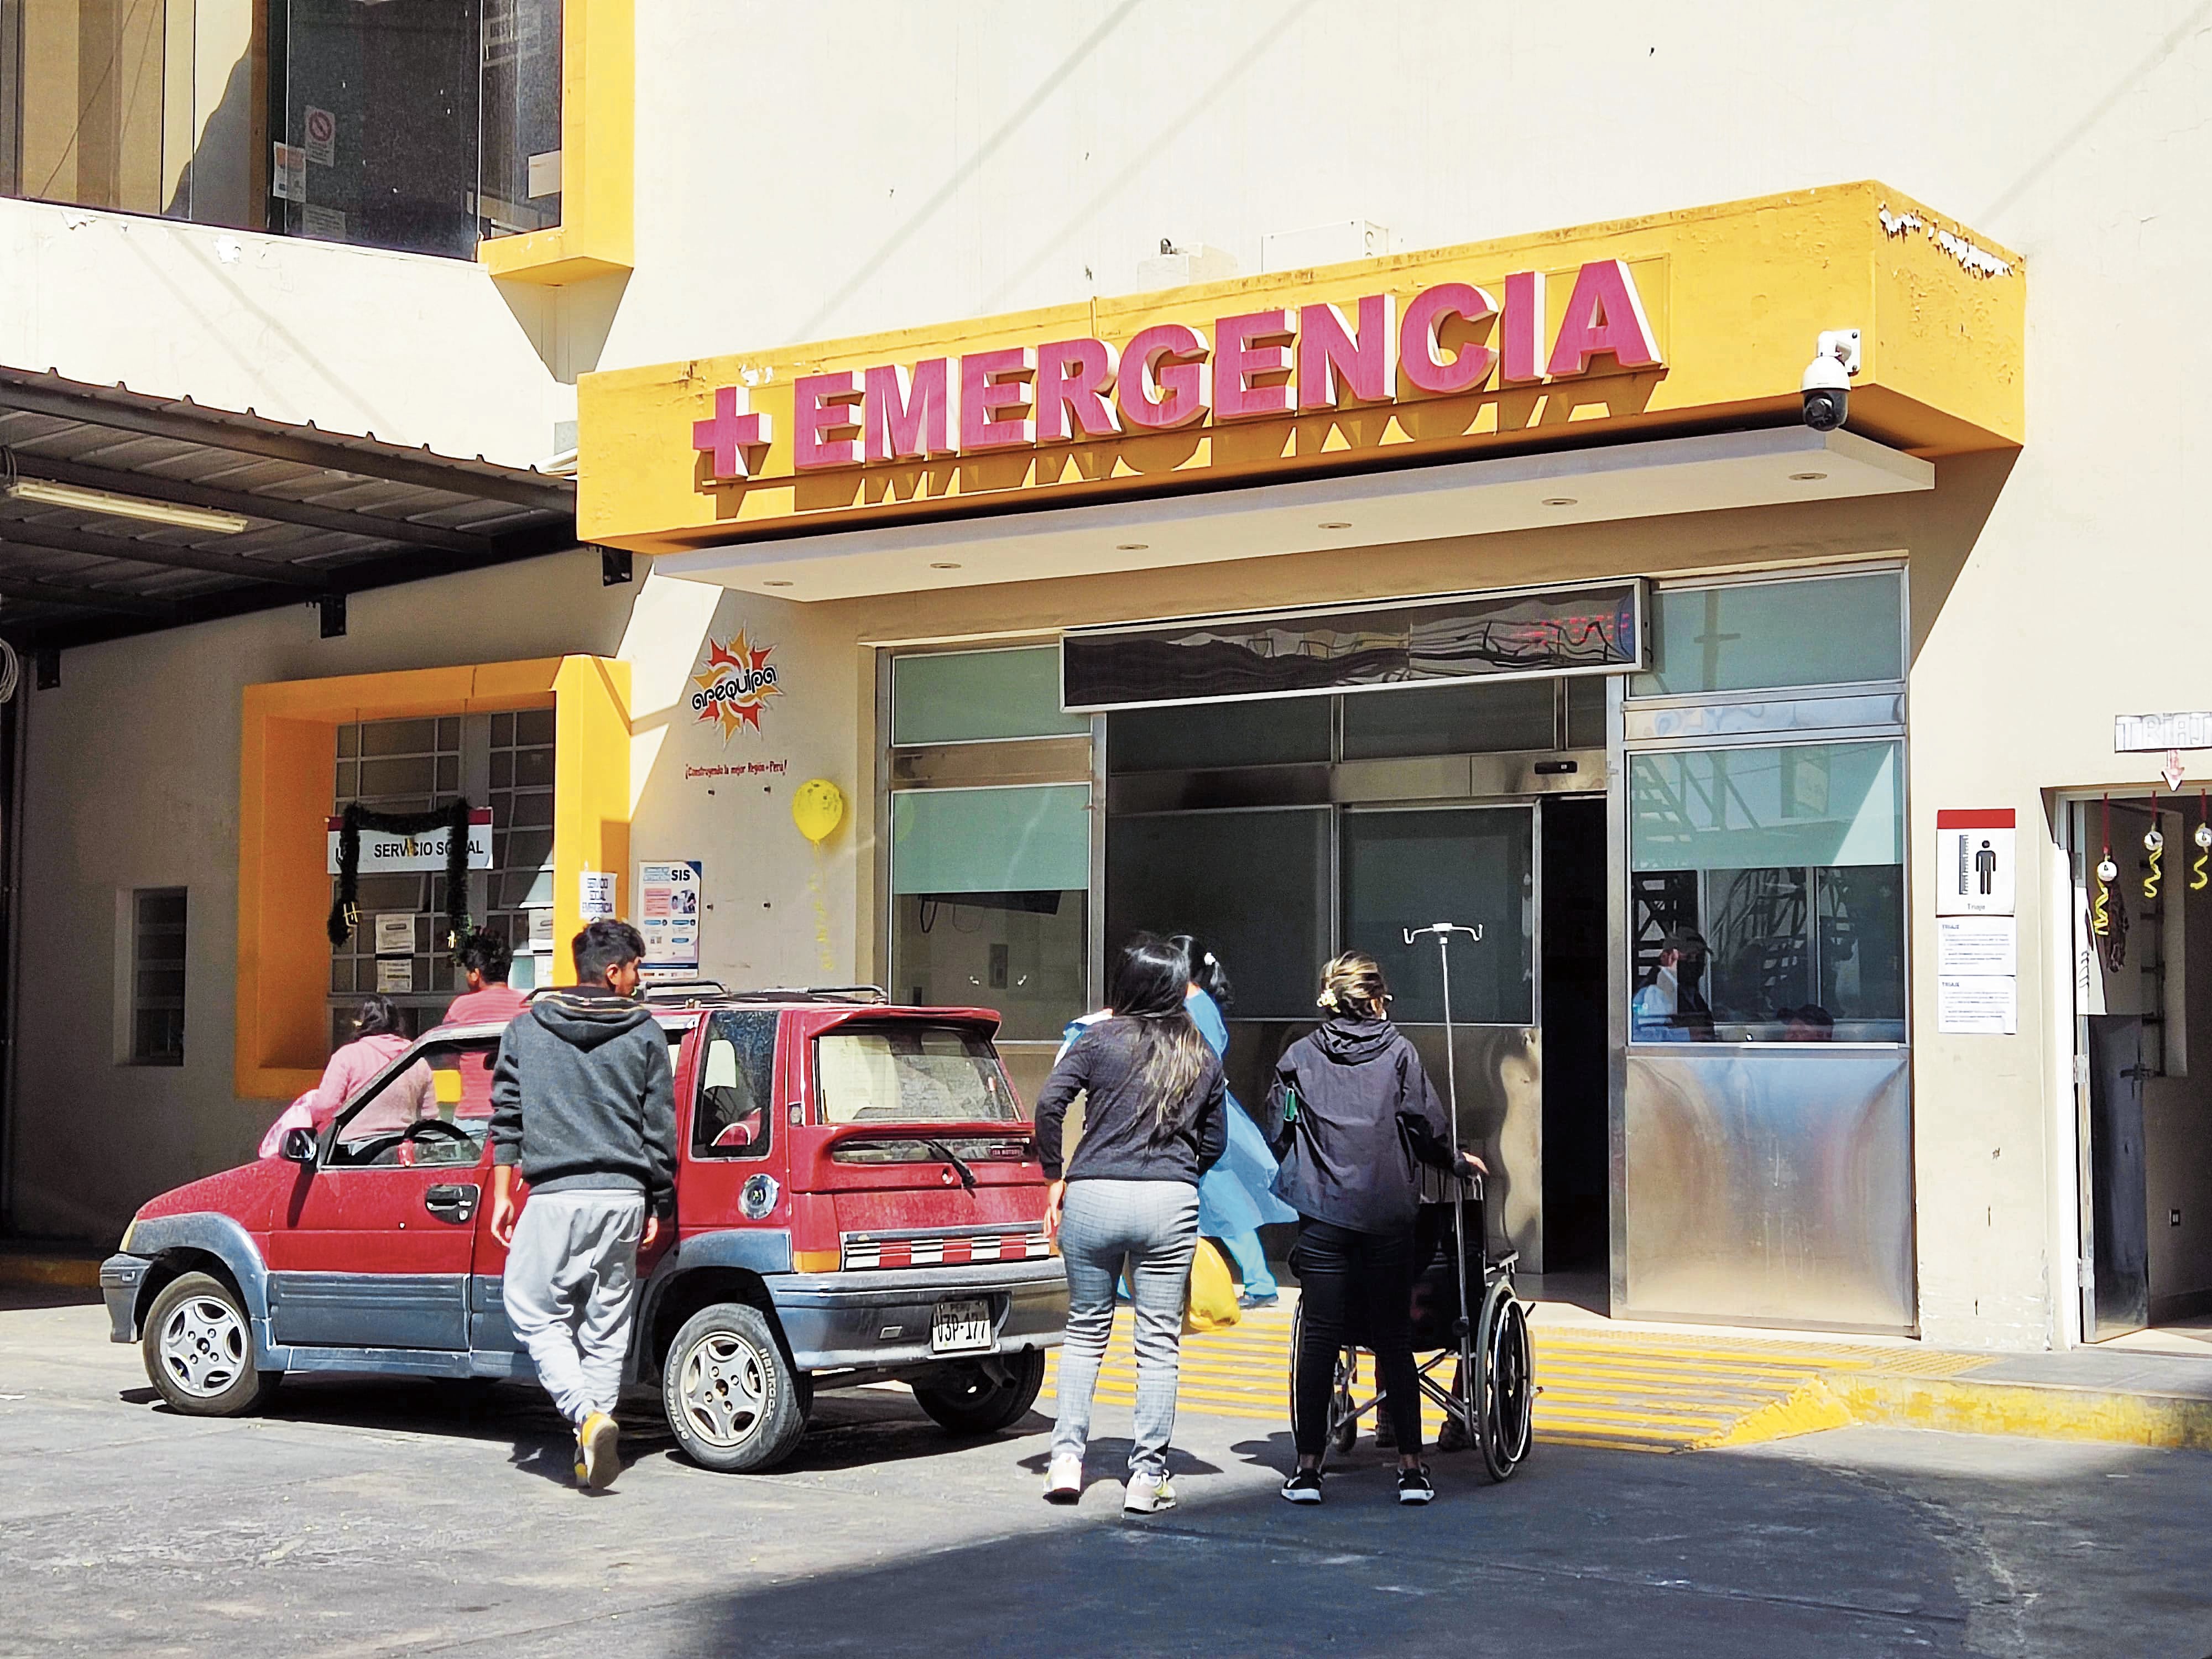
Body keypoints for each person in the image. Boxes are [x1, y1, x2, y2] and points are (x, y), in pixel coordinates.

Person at [1267, 952, 1484, 1507]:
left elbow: (1279, 1127)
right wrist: (1455, 1162)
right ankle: (1412, 1471)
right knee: (1393, 1338)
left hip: (1322, 1214)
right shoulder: (1399, 1054)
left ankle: (1308, 1470)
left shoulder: (1298, 1057)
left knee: (1319, 1338)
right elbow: (1425, 1125)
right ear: (1376, 997)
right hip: (1387, 1212)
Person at [1034, 934, 1228, 1515]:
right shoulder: (1199, 1051)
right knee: (1158, 1342)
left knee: (1086, 1331)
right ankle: (1146, 1477)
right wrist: (1181, 1171)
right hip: (1168, 1201)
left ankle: (1066, 1461)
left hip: (1093, 1195)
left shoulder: (1097, 1040)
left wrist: (1053, 1175)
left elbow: (1049, 1105)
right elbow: (1213, 1140)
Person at [488, 920, 676, 1491]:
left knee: (528, 1303)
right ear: (613, 971)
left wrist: (501, 1193)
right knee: (606, 1321)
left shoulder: (525, 1029)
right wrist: (657, 1201)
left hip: (554, 1194)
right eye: (636, 969)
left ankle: (585, 1415)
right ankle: (594, 1433)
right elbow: (658, 1129)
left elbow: (506, 1117)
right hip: (622, 1195)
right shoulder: (644, 1032)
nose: (637, 981)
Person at [1167, 933, 1296, 1308]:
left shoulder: (1192, 1008)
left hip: (1198, 1115)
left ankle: (1259, 1282)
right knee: (1210, 1200)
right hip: (1208, 1113)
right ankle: (1256, 1281)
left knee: (1220, 1200)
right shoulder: (1198, 1004)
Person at [257, 994, 429, 1156]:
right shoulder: (416, 1060)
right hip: (404, 1152)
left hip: (354, 1151)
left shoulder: (347, 1057)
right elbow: (430, 1116)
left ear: (361, 1024)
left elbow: (326, 1106)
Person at [1630, 928, 1715, 1041]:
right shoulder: (1654, 992)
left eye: (1700, 958)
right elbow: (1639, 1037)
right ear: (1666, 957)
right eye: (1688, 957)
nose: (1695, 963)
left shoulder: (1689, 993)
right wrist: (1686, 1035)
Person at [446, 930, 528, 1024]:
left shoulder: (460, 1009)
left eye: (468, 970)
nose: (466, 975)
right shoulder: (525, 1005)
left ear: (475, 975)